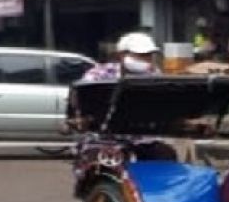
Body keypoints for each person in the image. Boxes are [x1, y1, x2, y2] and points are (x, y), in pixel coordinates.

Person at [68, 32, 179, 161]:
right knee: (96, 162)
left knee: (165, 155)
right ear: (122, 55)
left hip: (143, 139)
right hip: (103, 140)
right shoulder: (98, 74)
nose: (145, 59)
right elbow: (80, 100)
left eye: (148, 56)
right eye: (140, 55)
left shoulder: (154, 75)